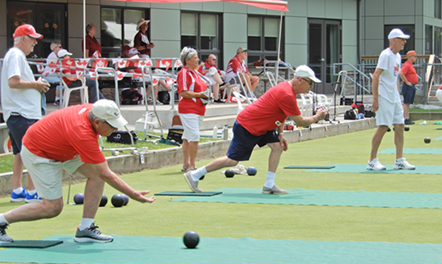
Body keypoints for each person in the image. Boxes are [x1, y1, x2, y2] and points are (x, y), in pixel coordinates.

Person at [0, 100, 156, 243]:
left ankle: (85, 229)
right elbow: (106, 173)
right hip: (40, 152)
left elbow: (100, 173)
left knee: (95, 175)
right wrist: (133, 194)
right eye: (112, 125)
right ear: (97, 122)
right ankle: (1, 220)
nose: (116, 129)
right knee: (52, 207)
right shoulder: (82, 132)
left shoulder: (95, 110)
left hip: (64, 145)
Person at [183, 65, 327, 194]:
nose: (312, 87)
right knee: (232, 161)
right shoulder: (287, 94)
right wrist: (318, 117)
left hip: (264, 126)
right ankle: (194, 175)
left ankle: (269, 185)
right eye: (311, 83)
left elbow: (281, 114)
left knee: (278, 146)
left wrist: (280, 134)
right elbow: (301, 121)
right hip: (247, 126)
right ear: (300, 80)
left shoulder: (289, 91)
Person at [1, 24, 50, 204]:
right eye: (32, 39)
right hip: (22, 113)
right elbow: (13, 82)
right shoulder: (15, 54)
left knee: (20, 153)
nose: (35, 43)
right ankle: (31, 192)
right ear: (23, 38)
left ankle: (17, 191)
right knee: (32, 151)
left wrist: (35, 84)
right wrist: (36, 85)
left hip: (19, 112)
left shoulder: (15, 55)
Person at [367, 28, 415, 171]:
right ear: (394, 40)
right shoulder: (385, 55)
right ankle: (372, 161)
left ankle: (399, 160)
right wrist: (375, 98)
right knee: (383, 127)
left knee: (400, 125)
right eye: (402, 39)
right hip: (384, 97)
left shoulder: (398, 56)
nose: (404, 42)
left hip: (394, 98)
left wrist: (397, 95)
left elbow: (394, 77)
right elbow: (376, 75)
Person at [177, 47, 210, 173]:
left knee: (188, 136)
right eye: (195, 58)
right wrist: (200, 95)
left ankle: (186, 164)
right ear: (187, 60)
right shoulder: (184, 72)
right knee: (194, 136)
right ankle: (191, 164)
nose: (198, 60)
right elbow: (183, 92)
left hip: (198, 108)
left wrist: (204, 96)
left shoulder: (196, 73)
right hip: (188, 108)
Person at [399, 50, 418, 125]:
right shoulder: (407, 65)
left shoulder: (410, 65)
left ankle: (407, 117)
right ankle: (405, 118)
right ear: (410, 57)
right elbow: (401, 73)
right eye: (414, 56)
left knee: (408, 102)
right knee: (406, 102)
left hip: (411, 85)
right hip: (408, 86)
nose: (415, 58)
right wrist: (407, 81)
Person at [44, 41, 63, 105]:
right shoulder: (52, 56)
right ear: (55, 48)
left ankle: (60, 98)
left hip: (54, 74)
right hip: (49, 74)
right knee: (61, 82)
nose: (61, 48)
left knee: (62, 81)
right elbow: (55, 68)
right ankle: (57, 99)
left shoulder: (56, 56)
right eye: (60, 47)